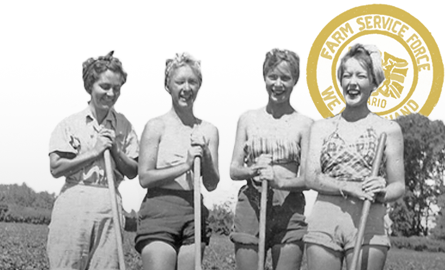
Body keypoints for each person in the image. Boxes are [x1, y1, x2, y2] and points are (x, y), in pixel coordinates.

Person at [303, 43, 405, 270]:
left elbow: (398, 186)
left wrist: (382, 191)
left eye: (361, 76)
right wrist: (350, 187)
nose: (352, 82)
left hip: (369, 223)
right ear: (340, 80)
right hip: (324, 221)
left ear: (373, 83)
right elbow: (310, 177)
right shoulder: (321, 127)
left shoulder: (388, 129)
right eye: (347, 75)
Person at [47, 51, 139, 270]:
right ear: (90, 85)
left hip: (109, 203)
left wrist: (115, 150)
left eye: (116, 88)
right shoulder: (70, 124)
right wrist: (94, 152)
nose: (111, 93)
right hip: (75, 200)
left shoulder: (124, 126)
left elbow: (134, 170)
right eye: (105, 86)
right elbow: (56, 167)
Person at [229, 49, 313, 270]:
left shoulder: (305, 124)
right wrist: (253, 170)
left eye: (285, 78)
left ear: (295, 81)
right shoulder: (248, 119)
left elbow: (309, 178)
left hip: (289, 205)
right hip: (252, 201)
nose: (278, 84)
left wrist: (280, 181)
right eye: (272, 77)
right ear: (264, 77)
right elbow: (234, 169)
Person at [135, 52, 220, 270]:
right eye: (180, 81)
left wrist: (206, 155)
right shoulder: (155, 126)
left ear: (199, 86)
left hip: (193, 212)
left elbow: (211, 183)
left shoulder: (208, 130)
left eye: (192, 82)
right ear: (168, 86)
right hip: (159, 211)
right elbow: (144, 177)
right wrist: (185, 165)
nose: (186, 88)